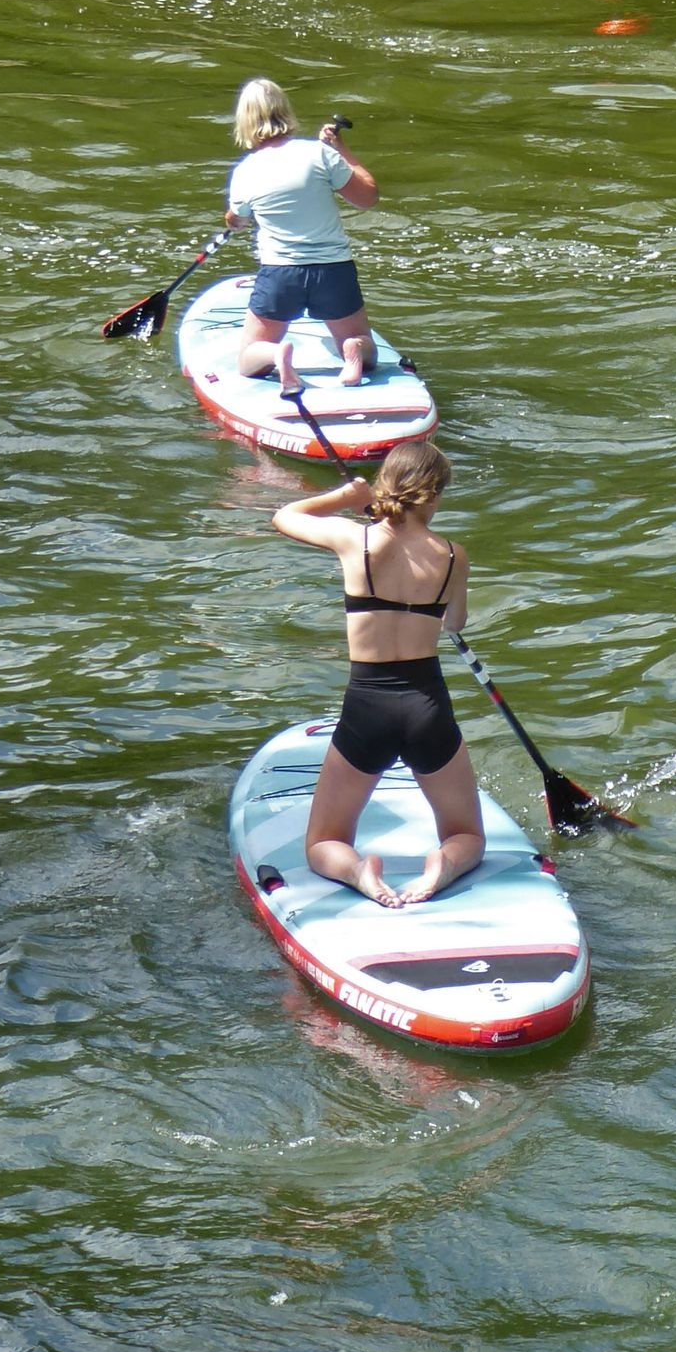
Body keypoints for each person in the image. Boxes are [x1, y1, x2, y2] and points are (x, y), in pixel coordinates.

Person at [270, 439, 483, 908]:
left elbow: (284, 516)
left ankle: (359, 870)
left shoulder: (354, 539)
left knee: (324, 843)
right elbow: (455, 623)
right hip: (427, 707)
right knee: (466, 834)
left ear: (387, 486)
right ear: (436, 495)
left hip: (368, 706)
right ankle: (443, 864)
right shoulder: (453, 557)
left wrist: (345, 498)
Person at [225, 78, 379, 392]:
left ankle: (276, 353)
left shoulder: (245, 171)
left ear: (245, 121)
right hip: (333, 272)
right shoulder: (321, 154)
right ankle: (352, 351)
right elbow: (368, 197)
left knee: (247, 359)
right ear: (285, 111)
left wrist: (233, 219)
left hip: (281, 276)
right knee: (367, 348)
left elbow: (236, 219)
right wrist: (341, 149)